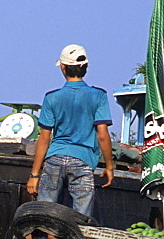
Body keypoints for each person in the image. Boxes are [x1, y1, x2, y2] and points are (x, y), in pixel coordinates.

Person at [27, 44, 114, 217]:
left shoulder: (52, 98)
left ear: (63, 67)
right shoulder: (99, 96)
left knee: (44, 216)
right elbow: (102, 135)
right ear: (86, 67)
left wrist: (34, 174)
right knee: (81, 221)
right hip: (83, 161)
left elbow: (44, 138)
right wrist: (110, 166)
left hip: (54, 160)